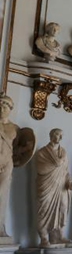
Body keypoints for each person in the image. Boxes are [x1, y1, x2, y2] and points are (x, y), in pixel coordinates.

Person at [36, 129, 72, 247]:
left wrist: (70, 181)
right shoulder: (42, 152)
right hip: (47, 185)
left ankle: (58, 236)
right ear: (51, 135)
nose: (60, 137)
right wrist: (55, 164)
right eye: (58, 134)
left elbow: (65, 171)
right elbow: (41, 169)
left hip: (62, 186)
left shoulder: (63, 152)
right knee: (44, 210)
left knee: (62, 209)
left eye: (61, 135)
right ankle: (44, 238)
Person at [0, 96, 19, 239]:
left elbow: (19, 150)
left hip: (7, 163)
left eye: (5, 107)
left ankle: (0, 227)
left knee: (2, 195)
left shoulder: (14, 128)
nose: (1, 109)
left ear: (10, 109)